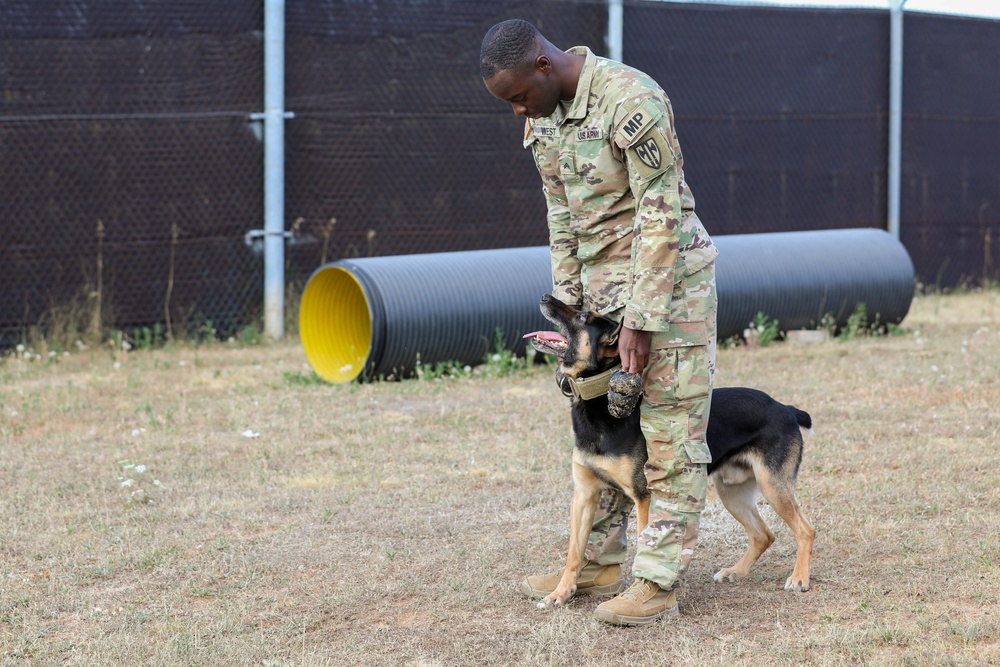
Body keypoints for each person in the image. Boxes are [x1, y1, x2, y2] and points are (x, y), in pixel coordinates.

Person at [481, 19, 719, 626]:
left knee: (669, 434)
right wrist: (567, 313)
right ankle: (599, 564)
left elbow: (661, 212)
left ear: (542, 65)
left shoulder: (630, 99)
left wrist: (642, 317)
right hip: (599, 301)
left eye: (516, 98)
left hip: (669, 292)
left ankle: (657, 581)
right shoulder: (544, 117)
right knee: (604, 426)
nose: (516, 112)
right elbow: (562, 221)